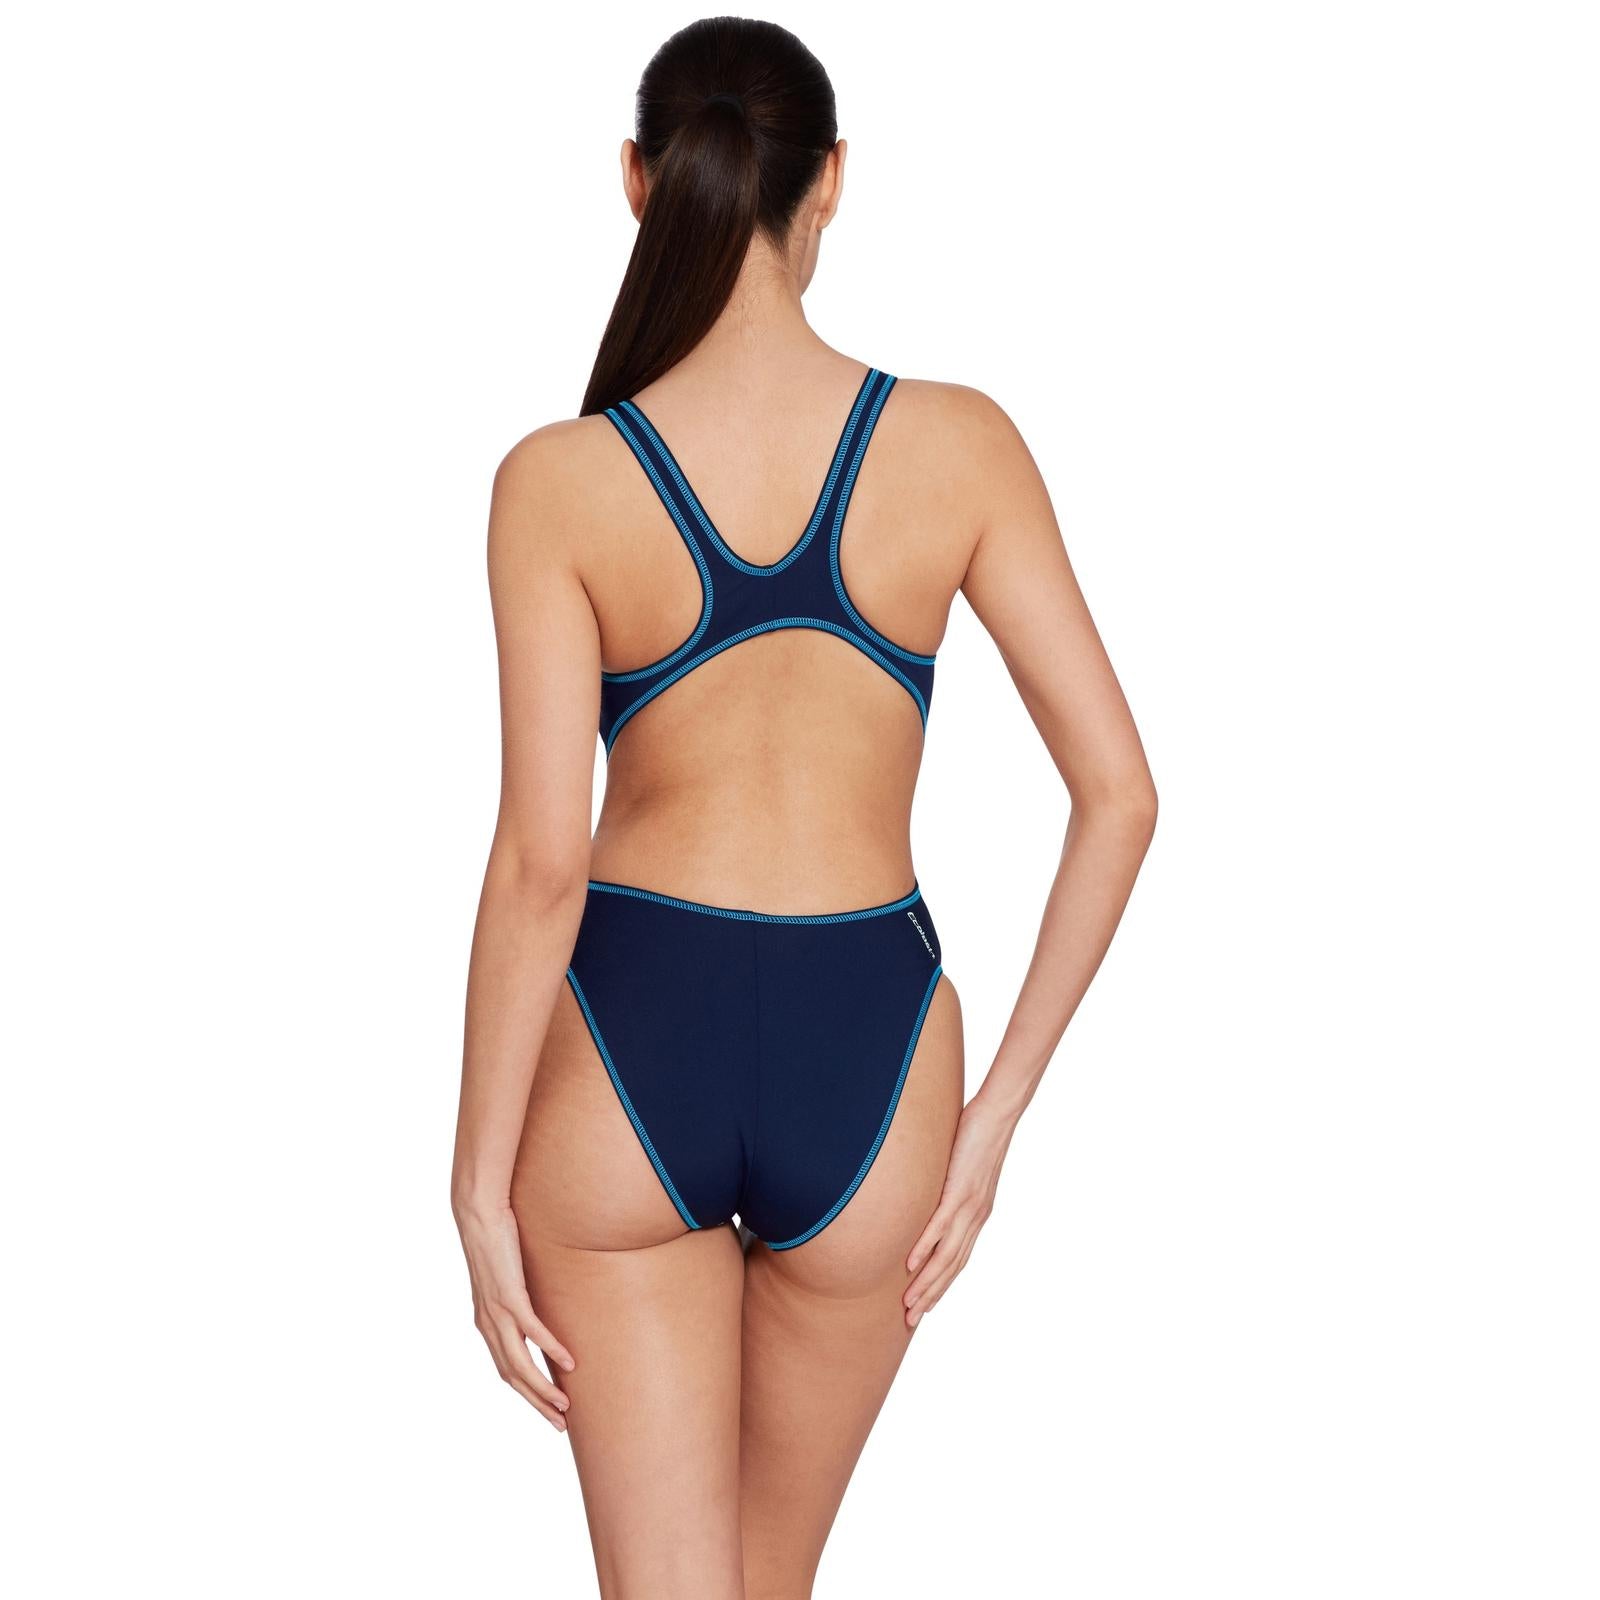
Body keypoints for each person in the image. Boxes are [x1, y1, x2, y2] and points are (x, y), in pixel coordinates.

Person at [452, 16, 1157, 1597]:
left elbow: (544, 864)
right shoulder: (962, 447)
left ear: (638, 181)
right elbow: (1120, 794)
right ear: (830, 180)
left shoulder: (558, 480)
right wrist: (994, 1123)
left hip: (630, 1048)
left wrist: (475, 1181)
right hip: (878, 1055)